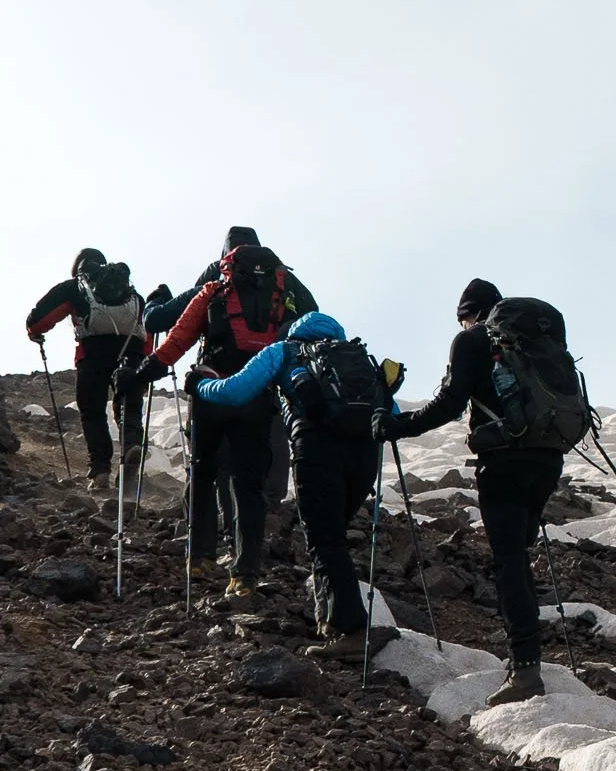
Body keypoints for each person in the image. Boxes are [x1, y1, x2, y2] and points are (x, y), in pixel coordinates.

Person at [380, 280, 565, 710]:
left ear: (468, 313)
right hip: (549, 456)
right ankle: (528, 654)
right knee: (519, 552)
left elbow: (449, 402)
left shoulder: (471, 339)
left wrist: (400, 426)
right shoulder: (538, 338)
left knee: (508, 561)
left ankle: (524, 667)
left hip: (502, 460)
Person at [193, 311, 397, 656]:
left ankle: (352, 631)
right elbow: (389, 414)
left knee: (324, 539)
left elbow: (234, 391)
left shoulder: (285, 351)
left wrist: (199, 385)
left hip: (316, 450)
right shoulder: (359, 358)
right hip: (366, 456)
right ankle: (330, 621)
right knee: (332, 536)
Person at [122, 234, 306, 602]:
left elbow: (176, 341)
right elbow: (309, 330)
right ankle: (245, 574)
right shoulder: (283, 288)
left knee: (204, 474)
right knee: (248, 485)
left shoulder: (216, 288)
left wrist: (140, 374)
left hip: (210, 393)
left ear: (227, 258)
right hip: (258, 396)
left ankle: (200, 558)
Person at [25, 250, 147, 488]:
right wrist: (145, 362)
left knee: (92, 409)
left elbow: (40, 318)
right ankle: (132, 442)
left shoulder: (75, 287)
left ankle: (100, 471)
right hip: (132, 352)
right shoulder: (131, 293)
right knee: (128, 403)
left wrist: (35, 332)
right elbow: (144, 328)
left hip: (93, 353)